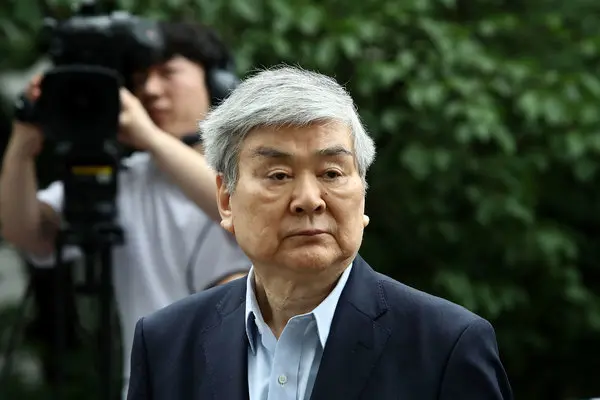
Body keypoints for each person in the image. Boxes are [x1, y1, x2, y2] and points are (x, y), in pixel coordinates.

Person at [126, 66, 513, 400]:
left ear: (362, 195)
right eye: (279, 175)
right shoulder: (167, 343)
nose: (309, 200)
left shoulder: (445, 345)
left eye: (331, 173)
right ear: (226, 200)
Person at [0, 21, 250, 398]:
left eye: (167, 73)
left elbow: (248, 210)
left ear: (217, 83)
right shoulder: (123, 179)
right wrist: (22, 145)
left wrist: (149, 137)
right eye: (139, 79)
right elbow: (27, 234)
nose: (150, 90)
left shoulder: (257, 168)